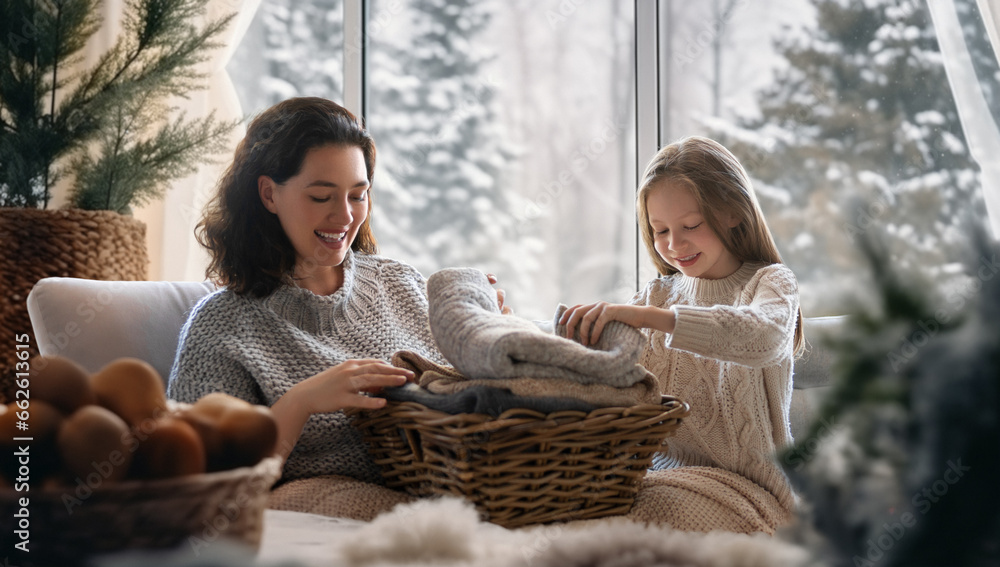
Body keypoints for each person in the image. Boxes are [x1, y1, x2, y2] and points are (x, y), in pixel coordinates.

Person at [166, 97, 506, 519]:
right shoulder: (222, 327)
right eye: (322, 196)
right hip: (348, 512)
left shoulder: (400, 282)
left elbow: (466, 397)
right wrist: (300, 402)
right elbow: (202, 484)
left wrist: (489, 335)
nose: (343, 216)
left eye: (357, 195)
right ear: (269, 194)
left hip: (479, 488)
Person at [560, 136, 804, 535]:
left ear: (731, 212)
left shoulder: (770, 282)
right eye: (660, 231)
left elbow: (766, 337)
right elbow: (595, 370)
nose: (674, 245)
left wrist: (651, 318)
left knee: (618, 522)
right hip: (657, 477)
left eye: (691, 226)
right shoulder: (658, 295)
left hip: (752, 493)